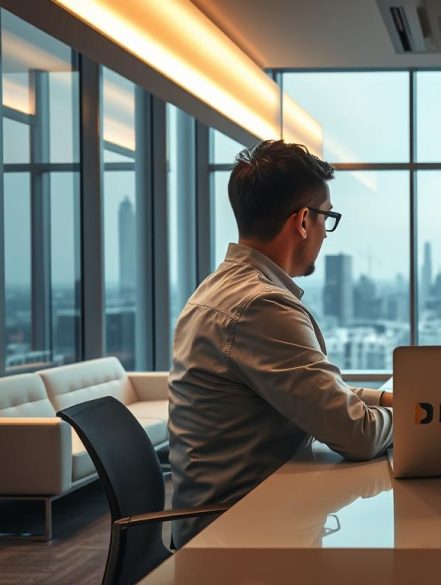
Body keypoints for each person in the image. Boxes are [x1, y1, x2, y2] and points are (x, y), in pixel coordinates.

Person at [168, 140, 393, 547]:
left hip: (251, 513)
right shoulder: (260, 306)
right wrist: (426, 415)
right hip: (241, 535)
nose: (326, 234)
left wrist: (385, 399)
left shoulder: (225, 290)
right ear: (303, 221)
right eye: (327, 218)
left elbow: (309, 392)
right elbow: (357, 435)